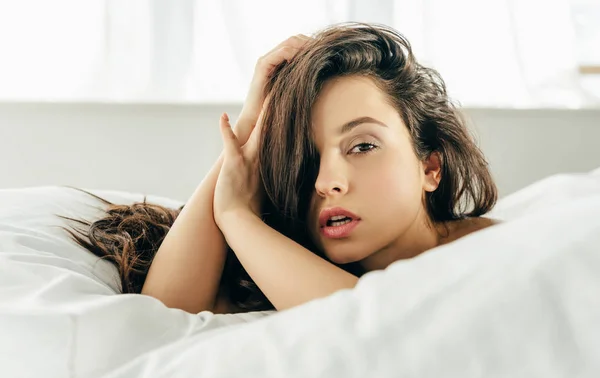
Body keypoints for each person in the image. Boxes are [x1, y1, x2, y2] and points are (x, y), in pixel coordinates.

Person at [57, 22, 498, 315]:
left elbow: (381, 325)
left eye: (362, 145)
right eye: (304, 159)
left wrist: (236, 217)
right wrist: (248, 133)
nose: (327, 183)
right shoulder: (283, 270)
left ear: (431, 166)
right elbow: (162, 316)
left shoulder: (504, 246)